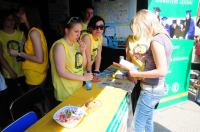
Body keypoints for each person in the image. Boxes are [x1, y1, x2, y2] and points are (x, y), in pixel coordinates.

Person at [114, 9, 173, 132]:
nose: (141, 33)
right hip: (157, 88)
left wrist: (136, 74)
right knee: (147, 121)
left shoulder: (155, 41)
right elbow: (160, 57)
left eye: (140, 29)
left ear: (147, 25)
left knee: (137, 125)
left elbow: (162, 70)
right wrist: (143, 57)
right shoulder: (164, 36)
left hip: (150, 90)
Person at [50, 17, 93, 102]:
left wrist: (83, 51)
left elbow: (82, 66)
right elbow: (61, 72)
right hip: (65, 94)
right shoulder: (60, 46)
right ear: (66, 30)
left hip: (77, 89)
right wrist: (83, 78)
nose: (79, 35)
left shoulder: (76, 45)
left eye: (80, 32)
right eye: (76, 31)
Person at [9, 6, 48, 89]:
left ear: (29, 14)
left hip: (35, 76)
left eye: (21, 13)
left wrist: (18, 53)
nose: (18, 15)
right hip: (37, 74)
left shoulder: (33, 33)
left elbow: (39, 59)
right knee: (40, 99)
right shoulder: (35, 31)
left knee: (37, 100)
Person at [0, 10, 26, 100]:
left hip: (23, 71)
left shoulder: (21, 34)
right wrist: (11, 72)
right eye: (8, 19)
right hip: (9, 73)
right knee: (13, 98)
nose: (11, 22)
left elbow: (25, 52)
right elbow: (0, 57)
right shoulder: (0, 35)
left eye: (13, 19)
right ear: (3, 21)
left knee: (25, 96)